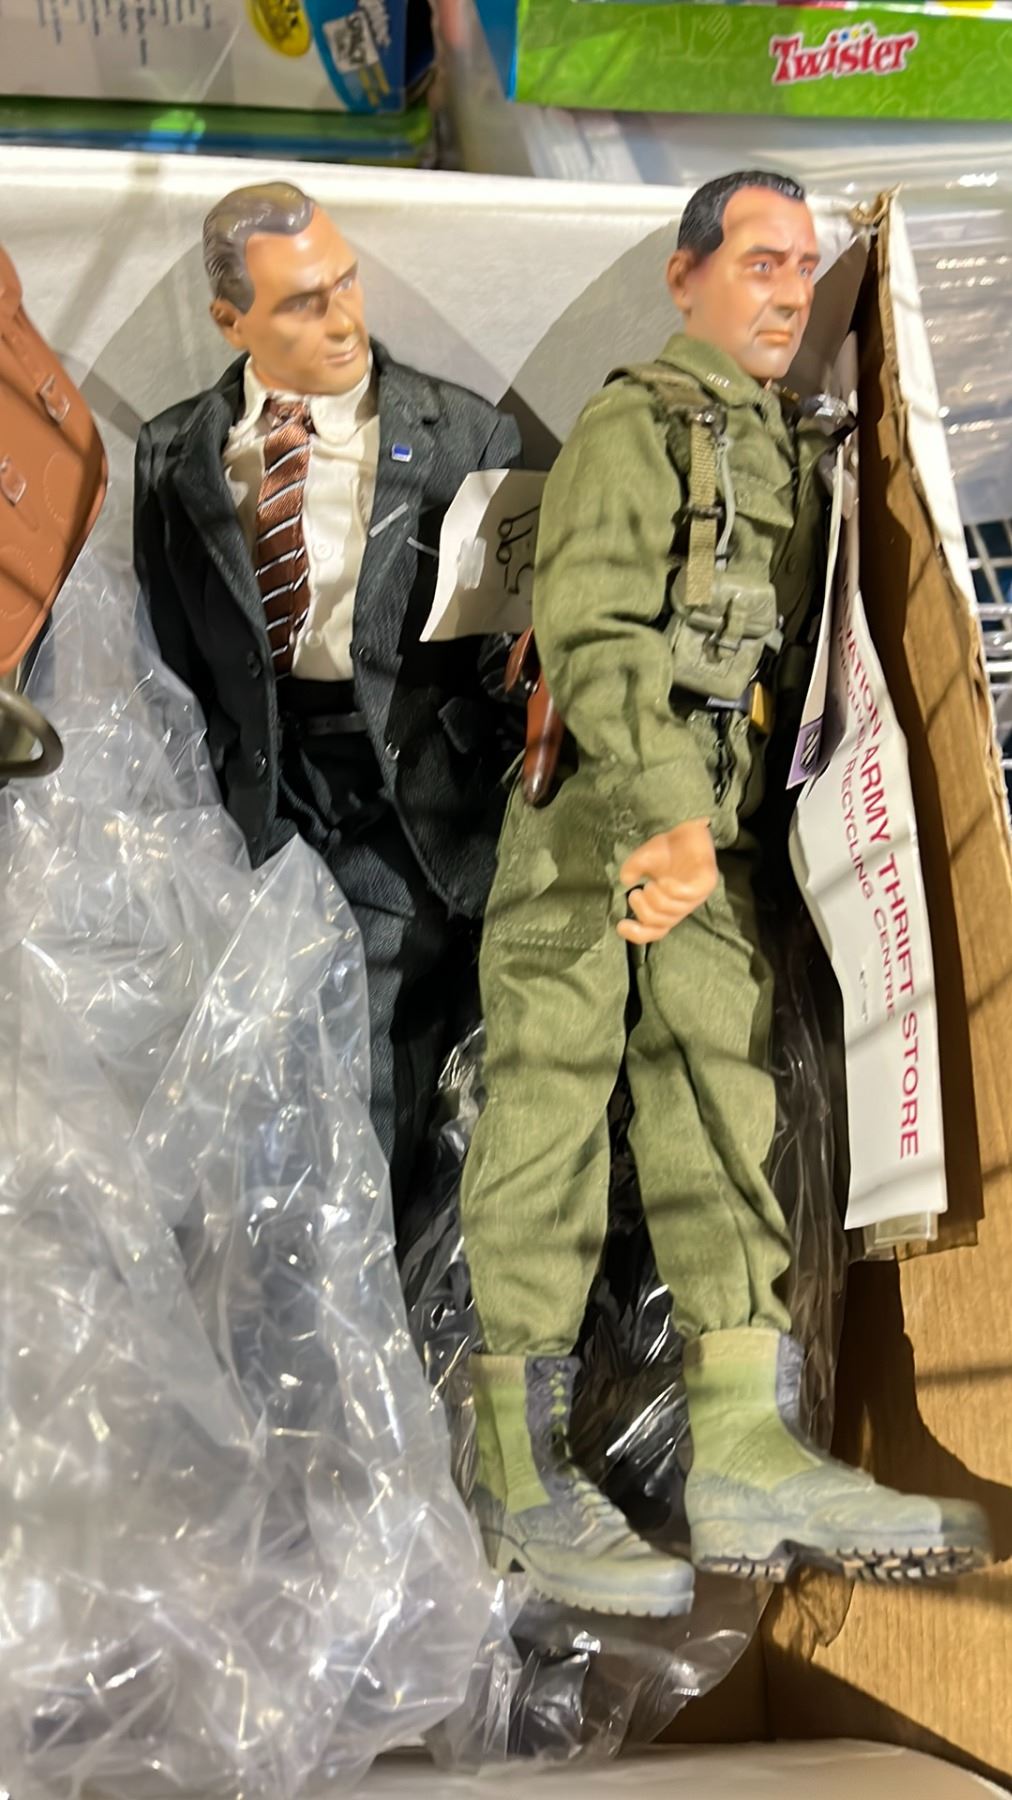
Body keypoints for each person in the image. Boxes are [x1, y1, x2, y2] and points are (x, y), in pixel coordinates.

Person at [459, 169, 990, 1615]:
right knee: (551, 1105)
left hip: (724, 816)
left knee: (723, 1106)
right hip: (601, 813)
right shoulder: (641, 421)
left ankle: (745, 1445)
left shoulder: (794, 446)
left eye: (806, 268)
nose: (789, 293)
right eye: (760, 262)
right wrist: (664, 817)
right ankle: (513, 1464)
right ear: (686, 276)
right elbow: (592, 624)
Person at [133, 182, 522, 1213]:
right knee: (248, 1037)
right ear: (232, 322)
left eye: (345, 283)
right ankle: (274, 1246)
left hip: (400, 784)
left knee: (368, 1032)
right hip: (258, 783)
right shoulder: (175, 454)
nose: (344, 318)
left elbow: (502, 648)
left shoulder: (463, 437)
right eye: (303, 303)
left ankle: (365, 1261)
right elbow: (171, 648)